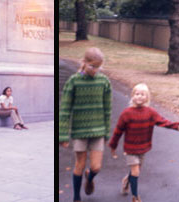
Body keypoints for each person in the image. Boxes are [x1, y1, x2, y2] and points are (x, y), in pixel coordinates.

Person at [108, 83, 179, 202]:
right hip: (130, 149)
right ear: (132, 96)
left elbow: (163, 122)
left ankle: (127, 181)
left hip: (143, 148)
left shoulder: (150, 112)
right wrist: (113, 145)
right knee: (136, 171)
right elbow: (118, 130)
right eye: (137, 94)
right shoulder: (126, 113)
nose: (140, 97)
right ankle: (135, 196)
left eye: (143, 94)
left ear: (147, 97)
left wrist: (178, 126)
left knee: (135, 171)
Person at [59, 47, 112, 202]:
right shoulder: (74, 81)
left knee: (96, 167)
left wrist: (107, 131)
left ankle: (89, 178)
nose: (95, 70)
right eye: (92, 66)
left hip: (98, 131)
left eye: (98, 67)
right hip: (79, 131)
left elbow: (108, 110)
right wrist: (62, 134)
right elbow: (65, 109)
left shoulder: (104, 82)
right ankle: (76, 197)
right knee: (79, 165)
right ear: (84, 62)